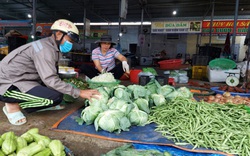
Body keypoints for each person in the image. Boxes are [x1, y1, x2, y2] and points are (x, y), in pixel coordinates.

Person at [0, 19, 99, 126]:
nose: (70, 44)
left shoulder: (51, 47)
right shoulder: (45, 49)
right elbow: (50, 79)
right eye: (69, 40)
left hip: (24, 79)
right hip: (8, 83)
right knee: (54, 98)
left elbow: (50, 72)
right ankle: (12, 105)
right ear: (59, 34)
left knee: (56, 91)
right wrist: (79, 92)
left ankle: (19, 102)